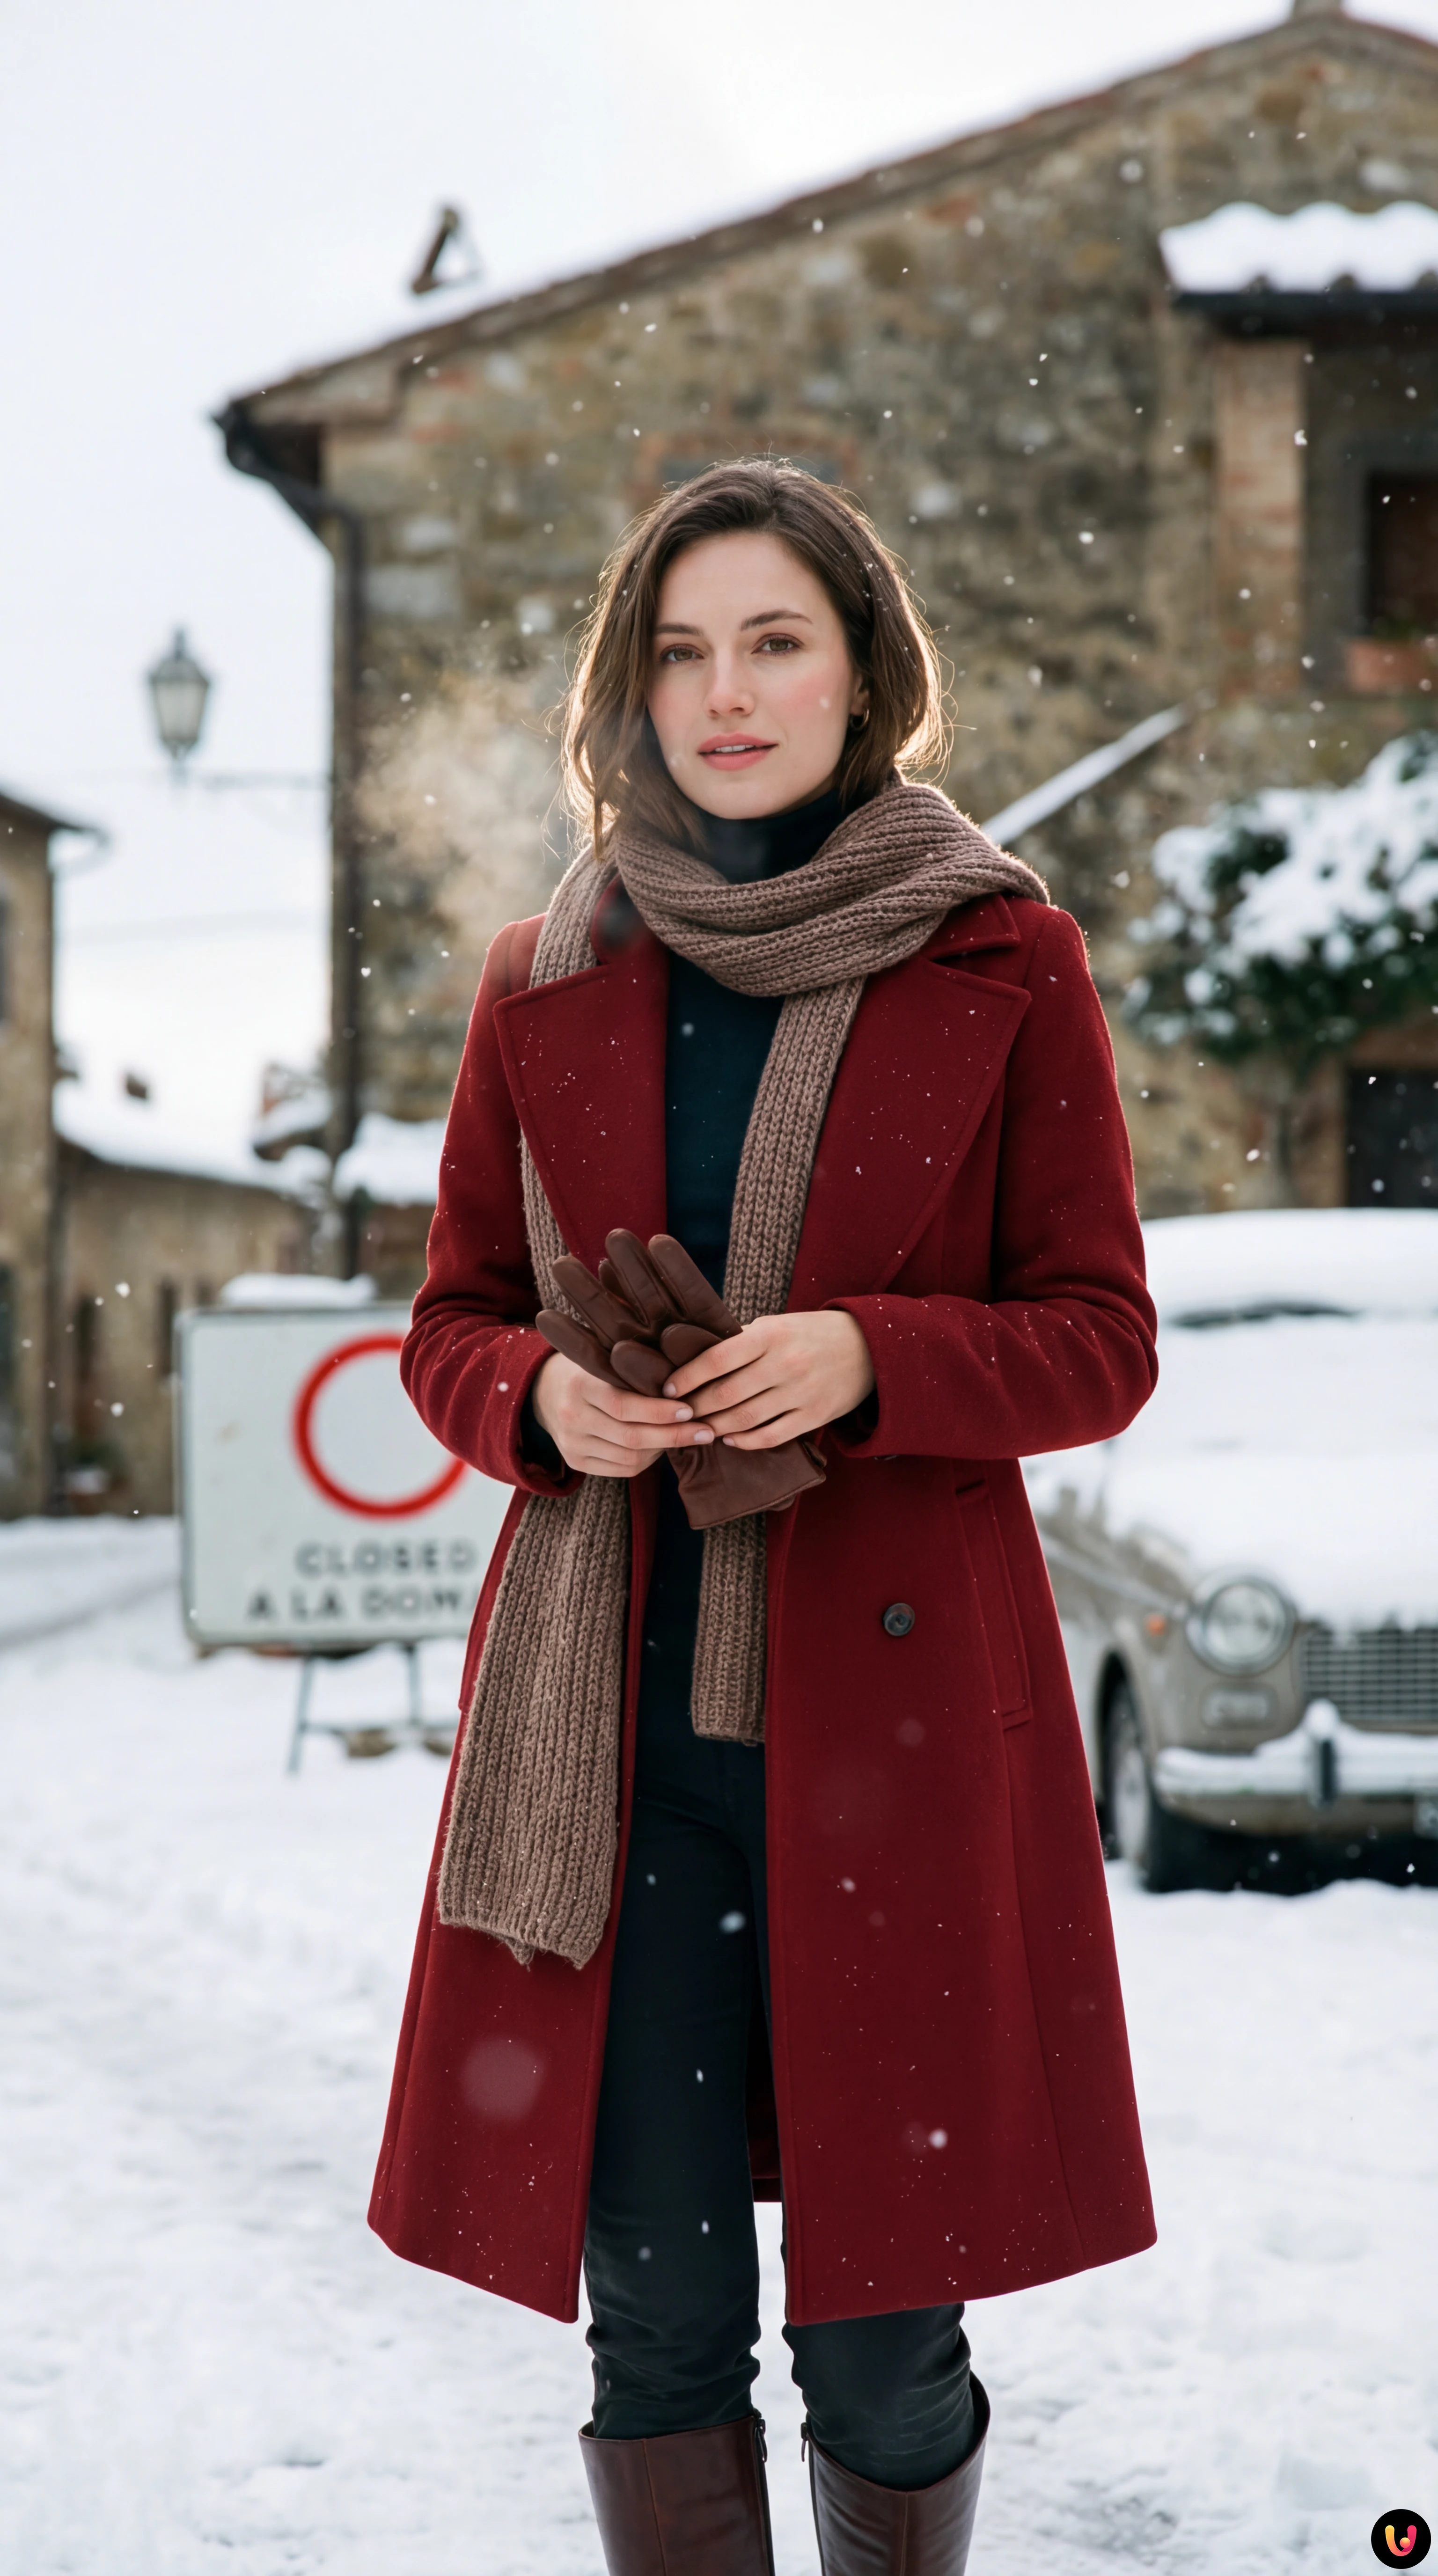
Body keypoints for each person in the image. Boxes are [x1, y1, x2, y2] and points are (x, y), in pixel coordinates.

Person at [371, 460, 1158, 2575]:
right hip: (615, 1759)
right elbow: (449, 1322)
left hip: (894, 1748)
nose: (728, 692)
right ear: (633, 689)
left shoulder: (1004, 951)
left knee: (890, 2344)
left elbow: (1100, 1337)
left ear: (862, 670)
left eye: (775, 641)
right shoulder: (545, 970)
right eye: (682, 650)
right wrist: (535, 1394)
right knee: (657, 2335)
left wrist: (874, 1357)